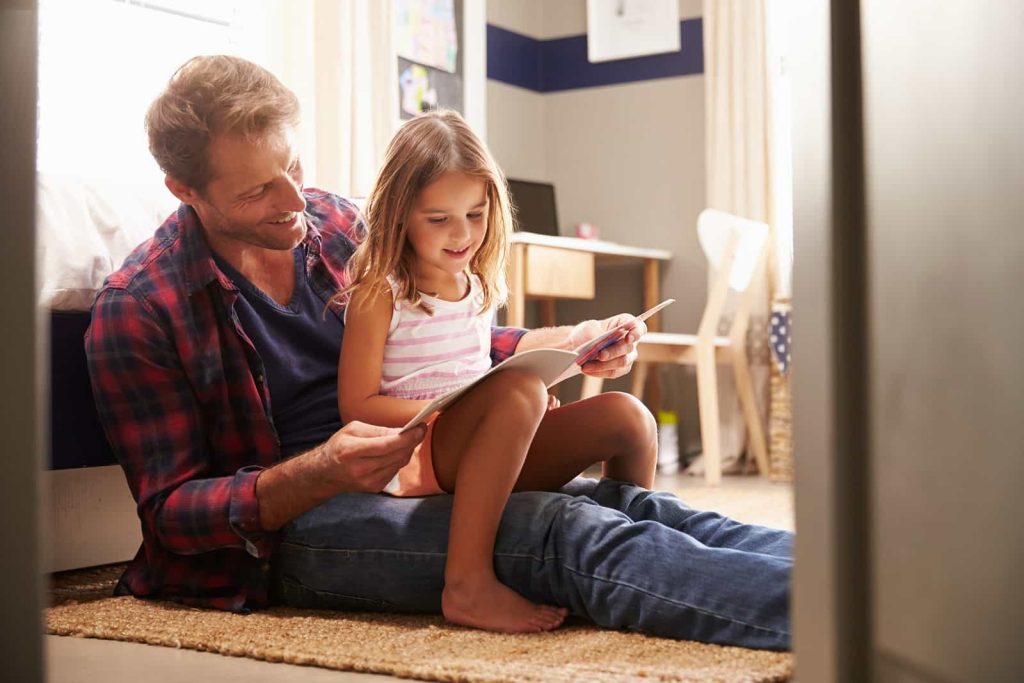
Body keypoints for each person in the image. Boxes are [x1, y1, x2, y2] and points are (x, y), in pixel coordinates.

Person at [85, 55, 793, 650]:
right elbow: (171, 513)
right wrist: (317, 470)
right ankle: (838, 615)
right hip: (300, 526)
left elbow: (441, 342)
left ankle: (865, 572)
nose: (295, 196)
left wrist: (562, 345)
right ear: (184, 190)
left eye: (293, 163)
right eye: (259, 187)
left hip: (427, 453)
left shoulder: (336, 225)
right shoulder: (141, 309)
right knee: (564, 528)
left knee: (629, 505)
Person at [338, 109, 657, 633]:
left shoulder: (478, 286)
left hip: (483, 446)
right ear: (399, 216)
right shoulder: (380, 292)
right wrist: (474, 409)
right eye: (439, 219)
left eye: (477, 214)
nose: (462, 234)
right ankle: (466, 584)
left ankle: (631, 556)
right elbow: (357, 407)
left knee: (629, 418)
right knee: (516, 393)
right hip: (418, 454)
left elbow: (480, 368)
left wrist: (524, 399)